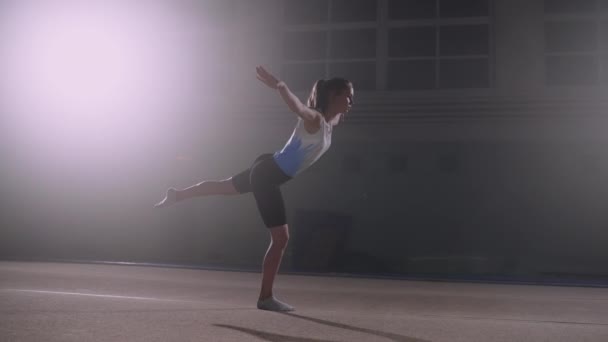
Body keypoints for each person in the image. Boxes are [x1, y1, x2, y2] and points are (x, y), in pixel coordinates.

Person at [155, 65, 354, 312]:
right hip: (269, 174)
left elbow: (329, 116)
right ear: (333, 96)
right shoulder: (315, 118)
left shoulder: (330, 123)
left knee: (223, 187)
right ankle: (265, 298)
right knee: (281, 239)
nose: (351, 101)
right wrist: (281, 87)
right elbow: (298, 108)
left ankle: (177, 194)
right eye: (347, 96)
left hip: (268, 166)